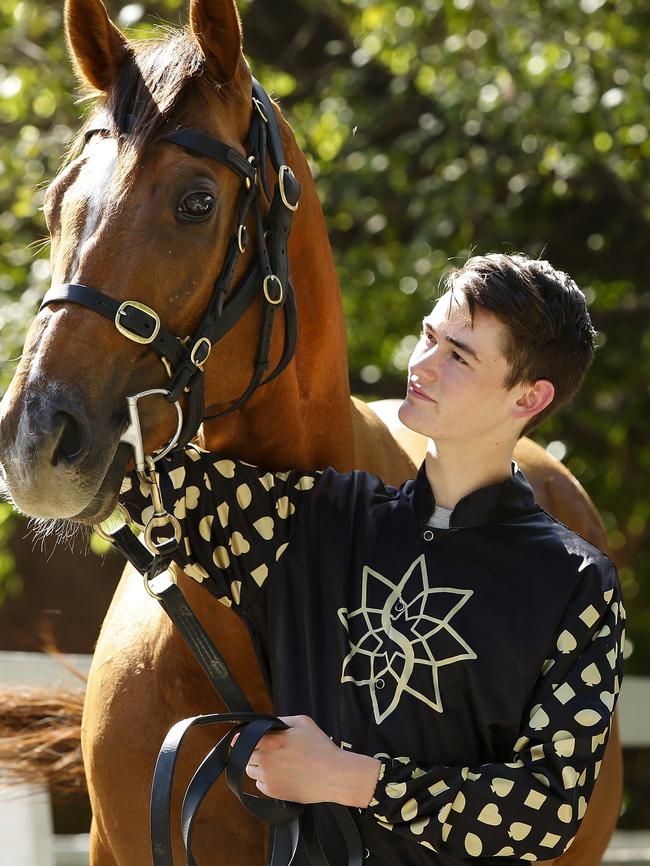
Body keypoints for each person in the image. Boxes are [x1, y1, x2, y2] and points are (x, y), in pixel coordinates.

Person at [122, 252, 625, 864]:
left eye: (458, 356)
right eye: (429, 336)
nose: (422, 366)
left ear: (528, 397)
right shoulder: (318, 519)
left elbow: (546, 811)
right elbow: (132, 469)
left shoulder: (575, 582)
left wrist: (348, 778)